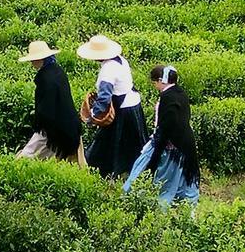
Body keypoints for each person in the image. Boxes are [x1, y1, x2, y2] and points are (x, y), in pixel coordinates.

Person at [123, 65, 200, 207]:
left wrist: (157, 151)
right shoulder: (181, 93)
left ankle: (150, 210)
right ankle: (189, 213)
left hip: (171, 147)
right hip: (186, 144)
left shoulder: (167, 97)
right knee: (186, 183)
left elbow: (166, 126)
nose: (155, 86)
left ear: (161, 80)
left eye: (154, 83)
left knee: (164, 184)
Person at [77, 34, 148, 178]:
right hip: (133, 105)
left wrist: (93, 116)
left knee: (108, 142)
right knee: (132, 143)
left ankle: (103, 172)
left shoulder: (107, 70)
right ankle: (134, 171)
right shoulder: (121, 60)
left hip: (121, 110)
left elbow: (104, 98)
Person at [16, 41, 85, 166]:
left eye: (33, 60)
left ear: (40, 59)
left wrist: (40, 126)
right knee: (71, 164)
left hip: (53, 131)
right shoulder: (57, 71)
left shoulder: (46, 79)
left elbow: (46, 111)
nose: (31, 63)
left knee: (26, 160)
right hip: (70, 126)